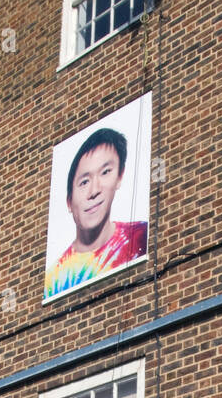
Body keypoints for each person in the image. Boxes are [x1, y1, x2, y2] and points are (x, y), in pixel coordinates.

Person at [44, 127, 147, 300]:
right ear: (69, 202)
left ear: (119, 177)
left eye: (105, 172)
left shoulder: (141, 236)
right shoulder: (53, 280)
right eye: (84, 182)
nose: (94, 191)